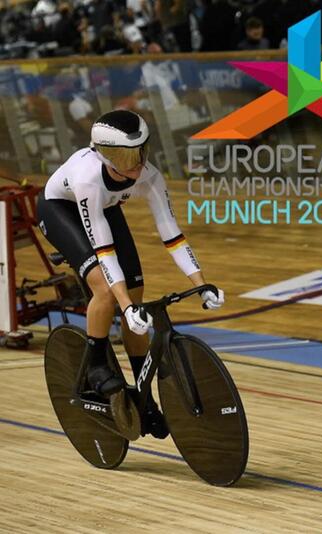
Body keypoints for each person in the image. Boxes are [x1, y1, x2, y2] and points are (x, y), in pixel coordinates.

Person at [37, 109, 224, 438]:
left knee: (137, 295)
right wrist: (122, 305)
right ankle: (96, 364)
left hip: (104, 210)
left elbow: (173, 235)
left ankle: (143, 395)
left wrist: (201, 283)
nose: (137, 163)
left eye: (141, 151)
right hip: (61, 209)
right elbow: (104, 248)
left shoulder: (150, 176)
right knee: (107, 292)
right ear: (106, 155)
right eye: (126, 157)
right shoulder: (87, 177)